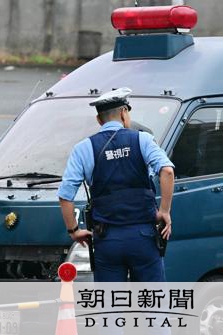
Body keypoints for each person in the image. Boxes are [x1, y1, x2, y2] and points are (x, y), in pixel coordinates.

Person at [57, 87, 174, 283]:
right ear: (123, 112)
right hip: (143, 236)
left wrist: (74, 231)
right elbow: (167, 171)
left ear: (99, 120)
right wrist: (164, 211)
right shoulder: (142, 139)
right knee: (152, 305)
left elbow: (65, 195)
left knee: (111, 307)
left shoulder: (83, 148)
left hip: (107, 239)